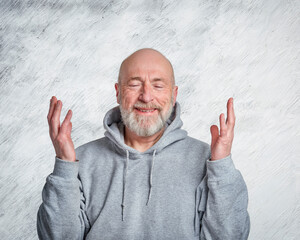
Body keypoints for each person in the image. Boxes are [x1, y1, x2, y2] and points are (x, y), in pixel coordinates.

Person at [37, 48, 250, 240]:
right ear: (118, 92)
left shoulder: (207, 160)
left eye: (158, 85)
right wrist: (64, 165)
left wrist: (222, 166)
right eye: (134, 84)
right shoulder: (80, 160)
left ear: (174, 95)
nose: (146, 96)